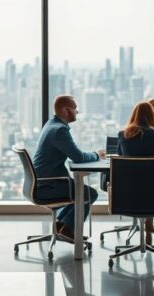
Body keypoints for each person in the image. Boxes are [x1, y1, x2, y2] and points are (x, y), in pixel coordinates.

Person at [33, 95, 106, 241]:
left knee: (82, 192)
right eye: (75, 108)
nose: (77, 112)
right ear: (66, 110)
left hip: (40, 182)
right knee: (89, 194)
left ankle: (61, 224)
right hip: (49, 185)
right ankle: (68, 229)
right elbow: (78, 157)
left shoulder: (51, 124)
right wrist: (97, 155)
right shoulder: (59, 130)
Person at [117, 100, 154, 237]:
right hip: (152, 188)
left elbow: (120, 155)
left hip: (129, 189)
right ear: (151, 115)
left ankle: (149, 224)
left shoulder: (123, 134)